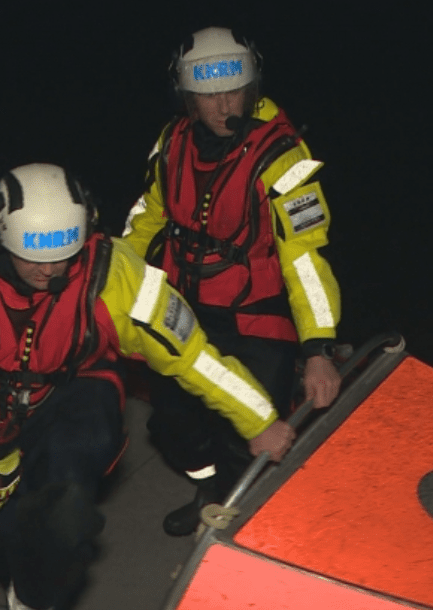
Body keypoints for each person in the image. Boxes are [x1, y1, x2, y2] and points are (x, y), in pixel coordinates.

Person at [0, 162, 295, 610]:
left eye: (63, 255)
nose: (49, 270)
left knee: (65, 515)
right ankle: (24, 580)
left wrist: (259, 419)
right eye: (34, 256)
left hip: (73, 394)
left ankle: (35, 597)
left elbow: (192, 357)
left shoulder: (115, 275)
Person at [121, 26, 343, 537]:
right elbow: (148, 217)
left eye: (233, 91)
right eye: (208, 94)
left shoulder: (282, 155)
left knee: (253, 427)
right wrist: (108, 276)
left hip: (254, 314)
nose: (223, 106)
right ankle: (210, 487)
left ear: (251, 89)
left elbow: (305, 259)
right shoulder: (171, 140)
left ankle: (232, 523)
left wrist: (318, 348)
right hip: (181, 306)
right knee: (172, 424)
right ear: (187, 98)